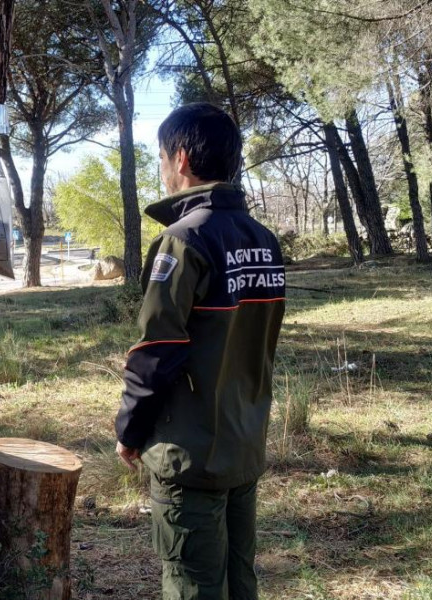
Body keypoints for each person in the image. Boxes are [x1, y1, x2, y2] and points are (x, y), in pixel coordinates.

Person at [114, 103, 286, 600]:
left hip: (189, 455)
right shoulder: (263, 240)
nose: (162, 169)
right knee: (238, 582)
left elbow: (157, 350)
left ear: (182, 158)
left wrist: (130, 431)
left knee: (193, 584)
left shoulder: (183, 240)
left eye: (162, 157)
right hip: (243, 444)